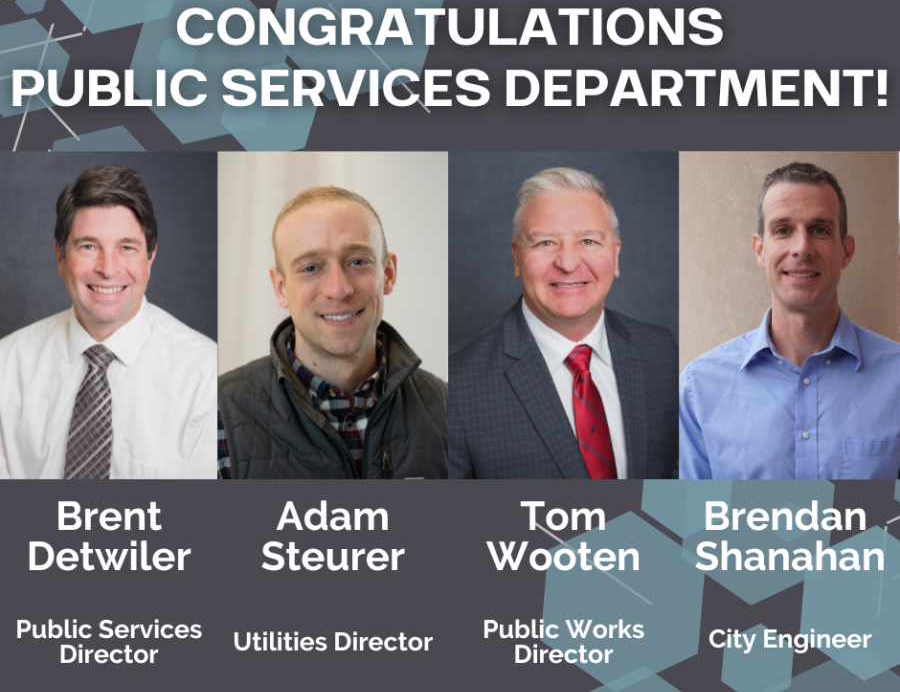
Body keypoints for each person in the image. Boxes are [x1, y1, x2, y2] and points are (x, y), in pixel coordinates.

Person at [449, 167, 678, 479]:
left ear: (616, 254)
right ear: (517, 257)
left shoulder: (661, 349)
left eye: (588, 240)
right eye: (545, 243)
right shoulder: (456, 383)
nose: (568, 263)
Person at [680, 162, 900, 480]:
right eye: (783, 230)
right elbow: (693, 524)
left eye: (820, 230)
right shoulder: (699, 388)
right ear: (760, 250)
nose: (802, 248)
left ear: (846, 251)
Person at [0, 165, 217, 479]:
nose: (107, 268)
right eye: (88, 246)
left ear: (150, 257)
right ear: (60, 258)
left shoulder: (205, 376)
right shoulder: (7, 365)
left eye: (126, 247)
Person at [217, 186, 447, 479]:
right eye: (311, 267)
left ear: (388, 274)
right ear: (281, 288)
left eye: (358, 262)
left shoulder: (450, 407)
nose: (339, 289)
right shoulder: (218, 415)